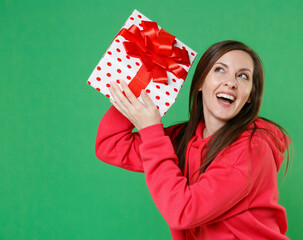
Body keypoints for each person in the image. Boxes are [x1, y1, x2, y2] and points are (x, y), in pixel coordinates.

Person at [95, 40, 291, 240]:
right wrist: (142, 82)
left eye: (243, 76)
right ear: (200, 83)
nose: (231, 82)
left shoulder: (252, 147)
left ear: (250, 96)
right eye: (220, 70)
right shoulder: (184, 137)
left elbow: (183, 211)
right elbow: (111, 144)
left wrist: (150, 130)